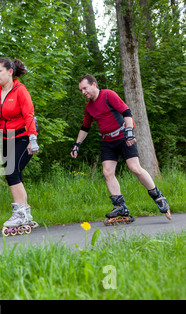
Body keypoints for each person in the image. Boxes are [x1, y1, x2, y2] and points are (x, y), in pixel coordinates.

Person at [71, 74, 171, 223]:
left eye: (84, 88)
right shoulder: (89, 107)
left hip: (123, 137)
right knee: (107, 172)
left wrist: (129, 133)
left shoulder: (108, 95)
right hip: (108, 141)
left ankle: (158, 196)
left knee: (135, 168)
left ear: (94, 85)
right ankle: (120, 207)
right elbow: (85, 127)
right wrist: (77, 144)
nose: (83, 92)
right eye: (81, 90)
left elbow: (126, 112)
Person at [0, 58, 40, 230]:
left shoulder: (20, 91)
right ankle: (25, 213)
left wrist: (33, 139)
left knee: (11, 170)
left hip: (24, 136)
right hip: (6, 137)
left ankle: (20, 213)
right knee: (13, 173)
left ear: (10, 72)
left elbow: (29, 114)